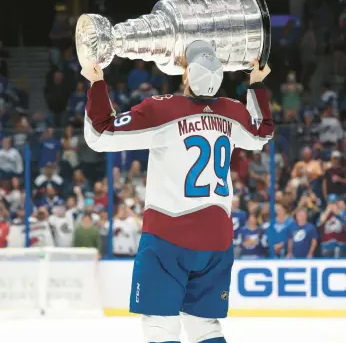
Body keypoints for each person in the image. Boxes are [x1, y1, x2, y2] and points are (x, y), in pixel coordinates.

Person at [82, 40, 273, 343]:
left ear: (185, 77)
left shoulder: (162, 108)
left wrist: (96, 81)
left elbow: (100, 134)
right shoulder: (232, 112)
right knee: (205, 328)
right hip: (217, 240)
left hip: (169, 235)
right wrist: (257, 83)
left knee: (160, 326)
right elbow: (263, 133)